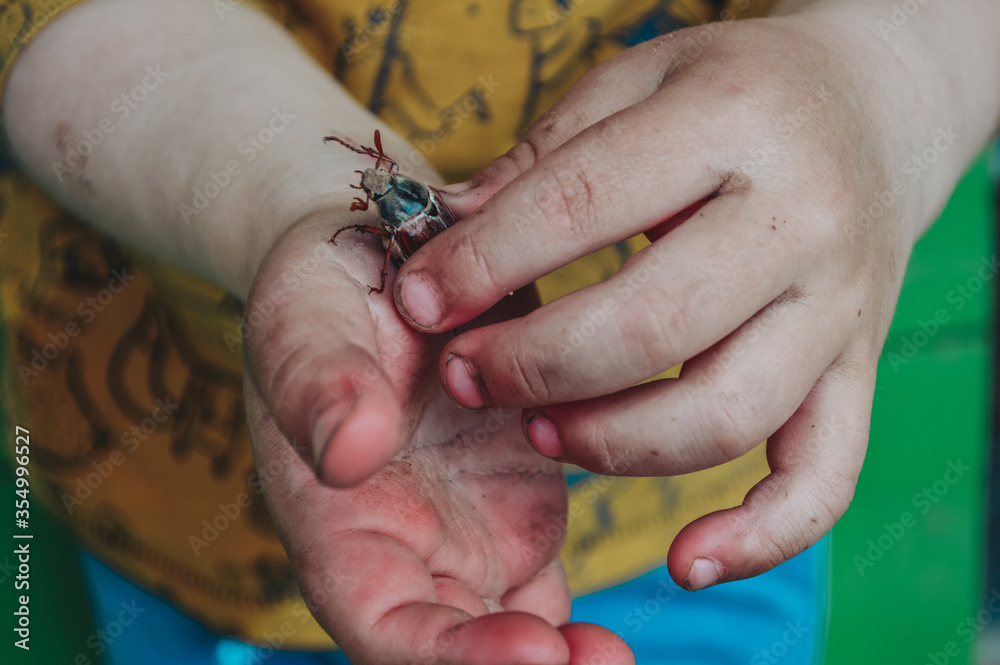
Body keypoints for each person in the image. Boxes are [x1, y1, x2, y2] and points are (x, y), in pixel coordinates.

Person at [1, 0, 998, 663]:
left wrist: (881, 81)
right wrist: (285, 203)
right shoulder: (376, 210)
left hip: (685, 478)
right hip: (167, 489)